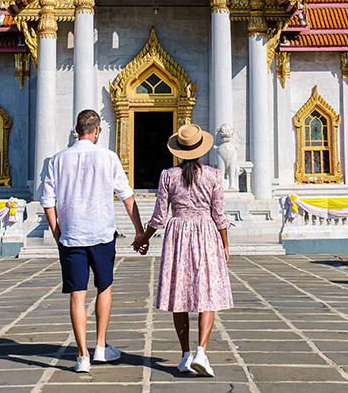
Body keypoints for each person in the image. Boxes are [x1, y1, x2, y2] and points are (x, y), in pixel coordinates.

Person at [41, 109, 146, 374]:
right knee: (104, 287)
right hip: (101, 233)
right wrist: (139, 231)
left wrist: (56, 233)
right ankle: (100, 346)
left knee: (77, 294)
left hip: (72, 235)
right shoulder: (108, 157)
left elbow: (48, 202)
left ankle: (82, 355)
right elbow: (127, 197)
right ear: (97, 131)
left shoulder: (58, 159)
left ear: (77, 130)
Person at [134, 123, 233, 378]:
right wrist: (225, 244)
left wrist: (143, 238)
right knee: (206, 293)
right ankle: (201, 350)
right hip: (205, 232)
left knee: (179, 294)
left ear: (179, 151)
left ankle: (185, 354)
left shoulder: (168, 175)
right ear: (201, 149)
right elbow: (219, 215)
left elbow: (158, 217)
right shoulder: (212, 175)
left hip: (178, 233)